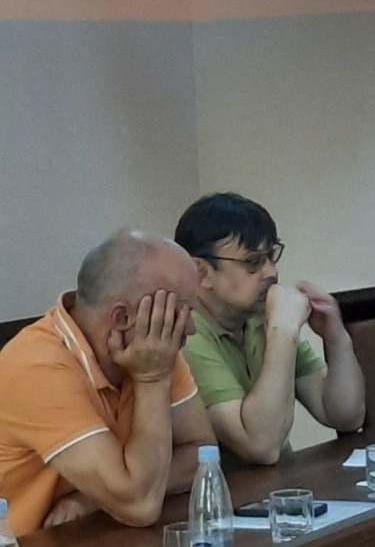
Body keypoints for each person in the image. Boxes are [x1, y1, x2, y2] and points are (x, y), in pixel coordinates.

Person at [0, 230, 215, 537]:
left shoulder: (152, 346)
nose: (191, 328)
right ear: (122, 317)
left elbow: (204, 455)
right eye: (182, 312)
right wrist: (152, 380)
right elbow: (140, 506)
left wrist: (94, 500)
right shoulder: (36, 367)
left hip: (95, 533)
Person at [174, 192, 366, 467]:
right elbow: (261, 446)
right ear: (201, 273)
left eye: (271, 256)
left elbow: (344, 415)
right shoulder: (187, 335)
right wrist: (283, 332)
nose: (272, 272)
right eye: (253, 262)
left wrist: (336, 338)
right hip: (229, 491)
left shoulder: (259, 317)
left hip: (279, 485)